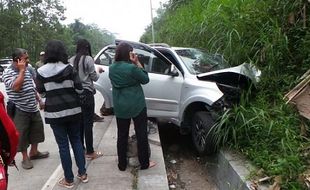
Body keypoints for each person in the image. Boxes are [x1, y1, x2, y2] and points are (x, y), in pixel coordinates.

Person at [36, 40, 88, 188]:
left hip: (55, 114)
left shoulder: (41, 72)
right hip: (73, 111)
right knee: (77, 141)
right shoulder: (70, 69)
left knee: (63, 146)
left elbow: (42, 92)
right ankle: (83, 173)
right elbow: (79, 89)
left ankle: (69, 179)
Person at [109, 42, 156, 171]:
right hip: (137, 105)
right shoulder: (132, 68)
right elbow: (145, 79)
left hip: (120, 106)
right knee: (141, 134)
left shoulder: (112, 68)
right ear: (129, 54)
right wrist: (137, 62)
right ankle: (144, 163)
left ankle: (122, 164)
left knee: (122, 135)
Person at [2, 48, 49, 170]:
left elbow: (31, 87)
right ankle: (24, 158)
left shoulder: (28, 69)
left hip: (32, 106)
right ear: (17, 60)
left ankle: (34, 152)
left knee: (37, 130)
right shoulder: (8, 73)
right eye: (25, 58)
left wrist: (39, 100)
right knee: (22, 135)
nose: (28, 61)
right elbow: (16, 87)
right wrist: (22, 71)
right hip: (19, 108)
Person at [69, 39, 104, 160]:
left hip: (75, 95)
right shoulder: (88, 59)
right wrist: (98, 71)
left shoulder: (71, 60)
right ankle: (90, 151)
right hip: (87, 94)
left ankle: (81, 149)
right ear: (87, 47)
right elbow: (94, 78)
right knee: (88, 123)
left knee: (79, 123)